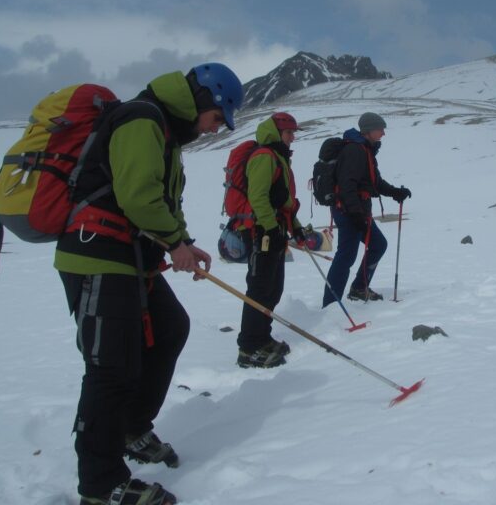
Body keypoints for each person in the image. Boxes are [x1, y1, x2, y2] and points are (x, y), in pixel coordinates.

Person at [56, 62, 243, 505]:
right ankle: (101, 486)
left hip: (130, 257)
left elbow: (160, 200)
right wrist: (174, 242)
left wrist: (184, 242)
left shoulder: (164, 131)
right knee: (111, 367)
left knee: (170, 328)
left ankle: (132, 428)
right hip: (97, 253)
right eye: (217, 118)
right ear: (202, 99)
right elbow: (138, 195)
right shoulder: (142, 119)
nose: (217, 130)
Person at [235, 112, 308, 368]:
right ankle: (248, 348)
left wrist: (295, 227)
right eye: (289, 133)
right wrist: (268, 228)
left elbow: (284, 203)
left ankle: (262, 339)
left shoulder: (278, 157)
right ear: (277, 133)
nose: (293, 137)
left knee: (273, 288)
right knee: (259, 288)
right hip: (260, 231)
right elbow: (258, 197)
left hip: (274, 229)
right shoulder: (264, 156)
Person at [322, 112, 411, 305]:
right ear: (369, 130)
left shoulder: (366, 150)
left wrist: (395, 192)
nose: (383, 133)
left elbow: (374, 182)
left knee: (378, 244)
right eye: (380, 129)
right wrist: (355, 214)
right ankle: (330, 304)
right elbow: (347, 185)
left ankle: (359, 288)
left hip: (357, 211)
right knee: (346, 255)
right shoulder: (355, 150)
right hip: (348, 211)